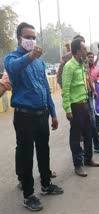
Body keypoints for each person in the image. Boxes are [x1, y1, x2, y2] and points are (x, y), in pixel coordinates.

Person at [4, 22, 63, 211]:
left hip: (41, 114)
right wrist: (30, 56)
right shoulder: (11, 58)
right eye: (27, 37)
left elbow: (45, 87)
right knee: (27, 155)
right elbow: (13, 69)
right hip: (24, 116)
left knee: (43, 150)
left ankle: (46, 184)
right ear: (19, 38)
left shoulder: (39, 61)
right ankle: (28, 195)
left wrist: (53, 113)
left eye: (33, 37)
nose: (31, 40)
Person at [62, 38, 99, 177]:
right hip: (75, 106)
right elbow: (65, 89)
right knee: (76, 136)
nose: (86, 50)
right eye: (84, 48)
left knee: (89, 132)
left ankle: (88, 158)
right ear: (78, 51)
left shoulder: (82, 65)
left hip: (85, 103)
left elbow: (86, 81)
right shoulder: (69, 66)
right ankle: (78, 165)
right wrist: (67, 109)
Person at [86, 52, 99, 154]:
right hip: (81, 98)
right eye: (88, 57)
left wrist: (95, 81)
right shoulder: (83, 67)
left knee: (93, 120)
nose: (90, 58)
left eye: (91, 57)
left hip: (90, 95)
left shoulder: (95, 69)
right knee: (86, 123)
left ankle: (95, 145)